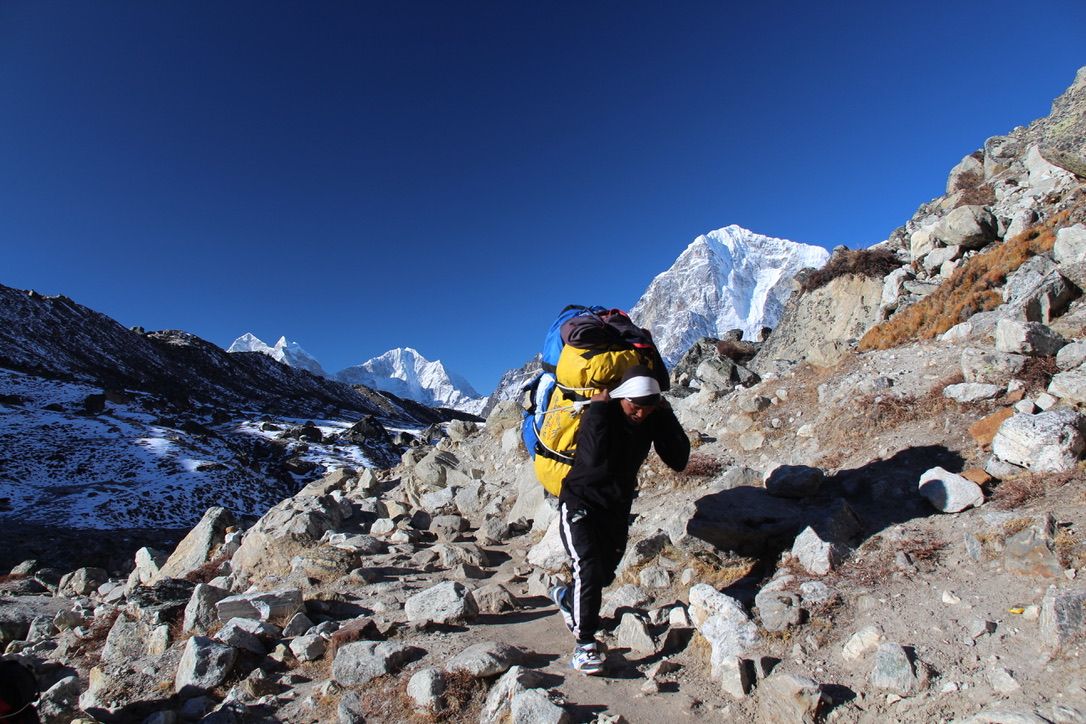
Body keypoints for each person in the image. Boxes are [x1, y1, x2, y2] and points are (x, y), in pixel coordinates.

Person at [549, 364, 690, 674]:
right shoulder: (601, 413)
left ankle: (566, 599)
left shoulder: (652, 416)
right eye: (634, 406)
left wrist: (664, 414)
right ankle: (586, 645)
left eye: (647, 408)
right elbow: (594, 460)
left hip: (615, 509)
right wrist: (598, 412)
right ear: (621, 397)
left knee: (603, 575)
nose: (640, 413)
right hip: (579, 502)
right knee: (587, 566)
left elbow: (679, 459)